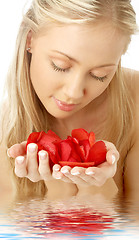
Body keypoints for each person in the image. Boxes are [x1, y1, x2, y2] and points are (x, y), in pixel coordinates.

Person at [0, 0, 138, 200]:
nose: (73, 92)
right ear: (30, 38)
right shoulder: (5, 131)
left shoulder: (135, 100)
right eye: (60, 66)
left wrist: (99, 188)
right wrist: (59, 188)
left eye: (100, 75)